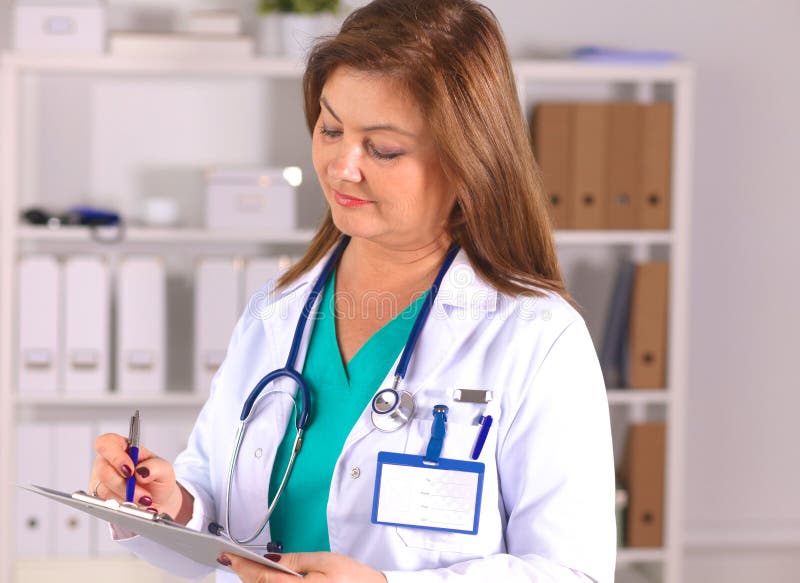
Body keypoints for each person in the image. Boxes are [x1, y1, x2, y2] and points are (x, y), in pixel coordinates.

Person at [89, 1, 616, 581]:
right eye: (331, 129)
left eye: (383, 149)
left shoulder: (536, 337)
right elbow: (217, 509)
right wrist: (170, 505)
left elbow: (574, 572)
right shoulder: (278, 312)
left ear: (469, 159)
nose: (343, 167)